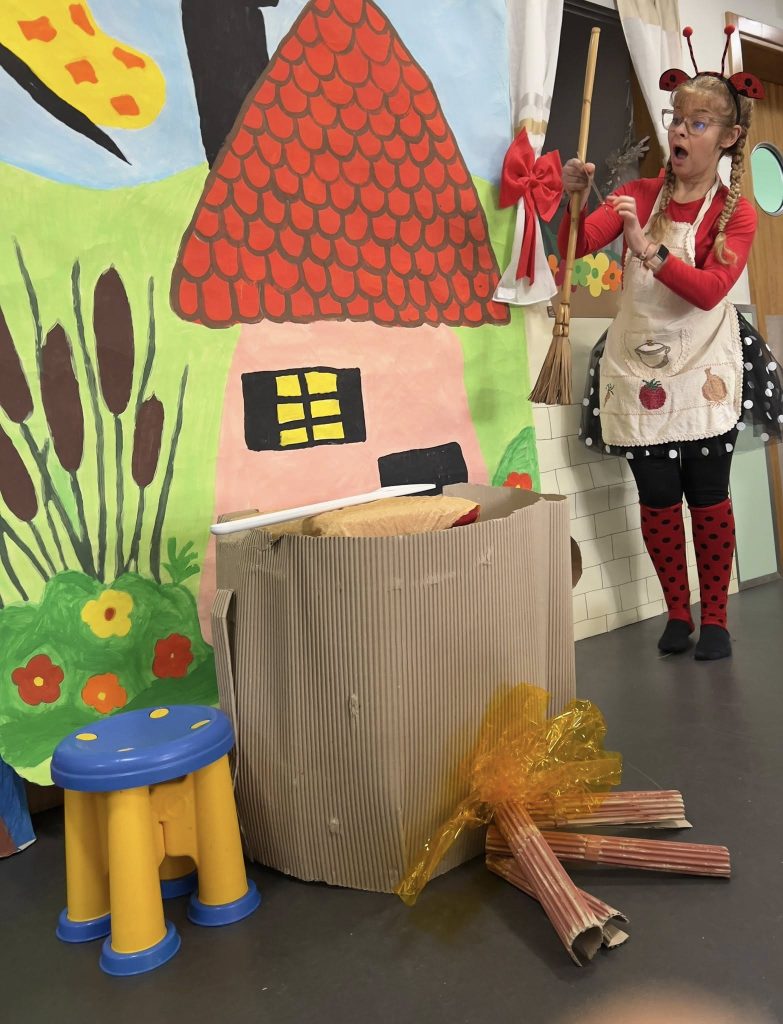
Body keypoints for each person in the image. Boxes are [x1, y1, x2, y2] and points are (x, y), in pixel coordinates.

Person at [559, 28, 783, 661]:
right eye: (677, 119)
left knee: (707, 495)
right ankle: (677, 614)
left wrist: (649, 250)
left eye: (699, 123)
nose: (681, 132)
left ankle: (717, 619)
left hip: (705, 365)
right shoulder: (636, 196)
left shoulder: (736, 213)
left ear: (728, 137)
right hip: (638, 367)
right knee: (657, 498)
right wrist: (572, 199)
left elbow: (710, 292)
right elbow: (578, 243)